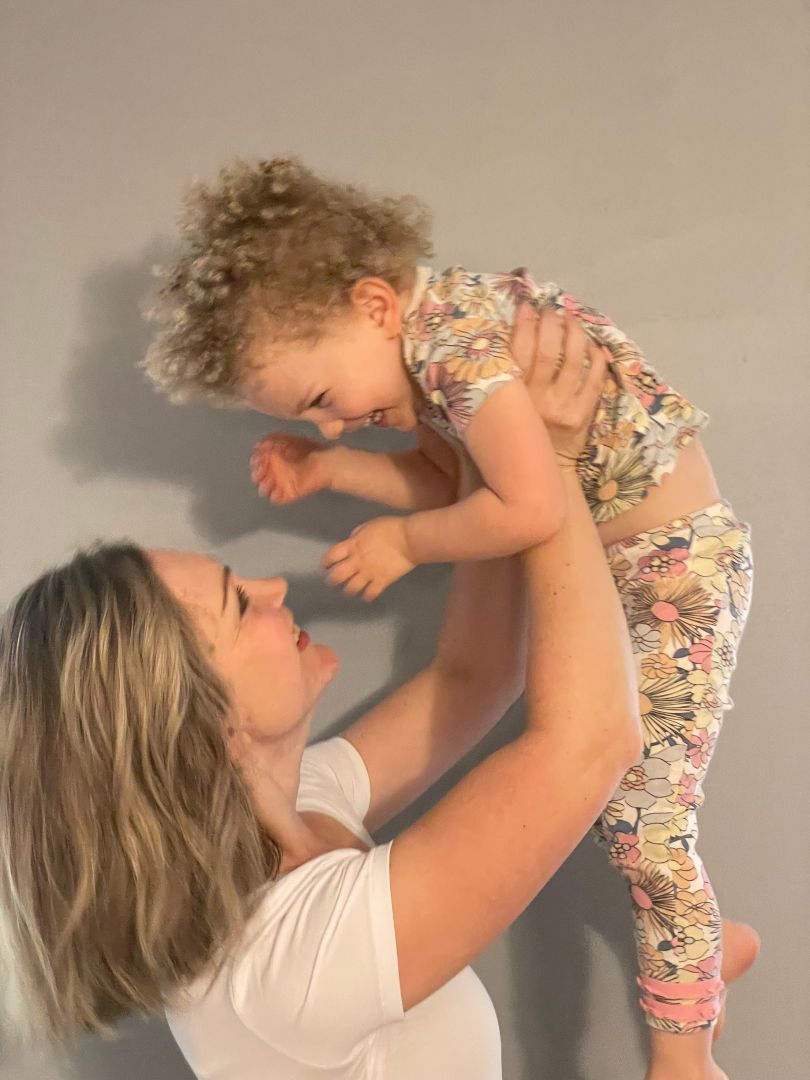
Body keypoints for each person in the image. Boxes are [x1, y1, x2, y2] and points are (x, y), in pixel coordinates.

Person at [144, 157, 759, 1077]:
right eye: (239, 605)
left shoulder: (459, 352)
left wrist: (405, 542)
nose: (335, 424)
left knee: (644, 823)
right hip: (645, 566)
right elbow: (479, 492)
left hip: (671, 567)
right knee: (639, 821)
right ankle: (697, 967)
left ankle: (685, 1050)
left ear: (375, 306)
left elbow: (517, 509)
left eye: (323, 403)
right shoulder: (448, 348)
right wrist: (337, 473)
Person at [0, 328, 645, 1080]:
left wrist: (489, 447)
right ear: (212, 727)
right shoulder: (278, 967)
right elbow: (591, 742)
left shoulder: (298, 804)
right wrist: (550, 462)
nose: (275, 588)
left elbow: (472, 678)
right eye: (240, 606)